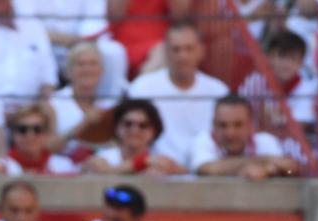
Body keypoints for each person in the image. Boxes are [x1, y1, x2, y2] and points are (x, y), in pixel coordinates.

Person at [127, 22, 228, 163]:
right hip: (155, 169)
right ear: (166, 52)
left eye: (189, 49)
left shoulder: (219, 90)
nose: (183, 56)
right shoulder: (142, 87)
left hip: (207, 168)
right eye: (176, 49)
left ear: (201, 51)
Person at [190, 95, 298, 178]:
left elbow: (289, 169)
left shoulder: (265, 140)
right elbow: (207, 169)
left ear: (250, 125)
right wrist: (266, 161)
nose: (230, 133)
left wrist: (269, 171)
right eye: (222, 125)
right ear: (213, 125)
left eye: (238, 125)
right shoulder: (204, 140)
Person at [239, 29, 317, 142]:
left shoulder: (307, 88)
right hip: (255, 142)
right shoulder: (254, 82)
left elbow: (298, 129)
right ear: (269, 57)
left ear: (301, 63)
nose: (286, 64)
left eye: (293, 59)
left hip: (291, 145)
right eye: (282, 56)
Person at [50, 40, 117, 157]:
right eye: (80, 64)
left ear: (101, 71)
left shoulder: (110, 104)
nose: (87, 69)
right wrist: (83, 125)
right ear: (69, 71)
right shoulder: (53, 103)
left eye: (93, 64)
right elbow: (45, 149)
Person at [85, 97, 184, 175]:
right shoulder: (104, 157)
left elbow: (185, 171)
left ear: (154, 131)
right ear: (116, 127)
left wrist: (166, 172)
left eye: (143, 125)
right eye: (128, 124)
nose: (135, 130)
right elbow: (104, 172)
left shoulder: (160, 157)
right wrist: (143, 163)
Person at [1, 103, 77, 174]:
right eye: (22, 129)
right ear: (13, 133)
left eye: (37, 129)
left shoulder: (64, 166)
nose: (30, 136)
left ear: (46, 134)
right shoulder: (1, 166)